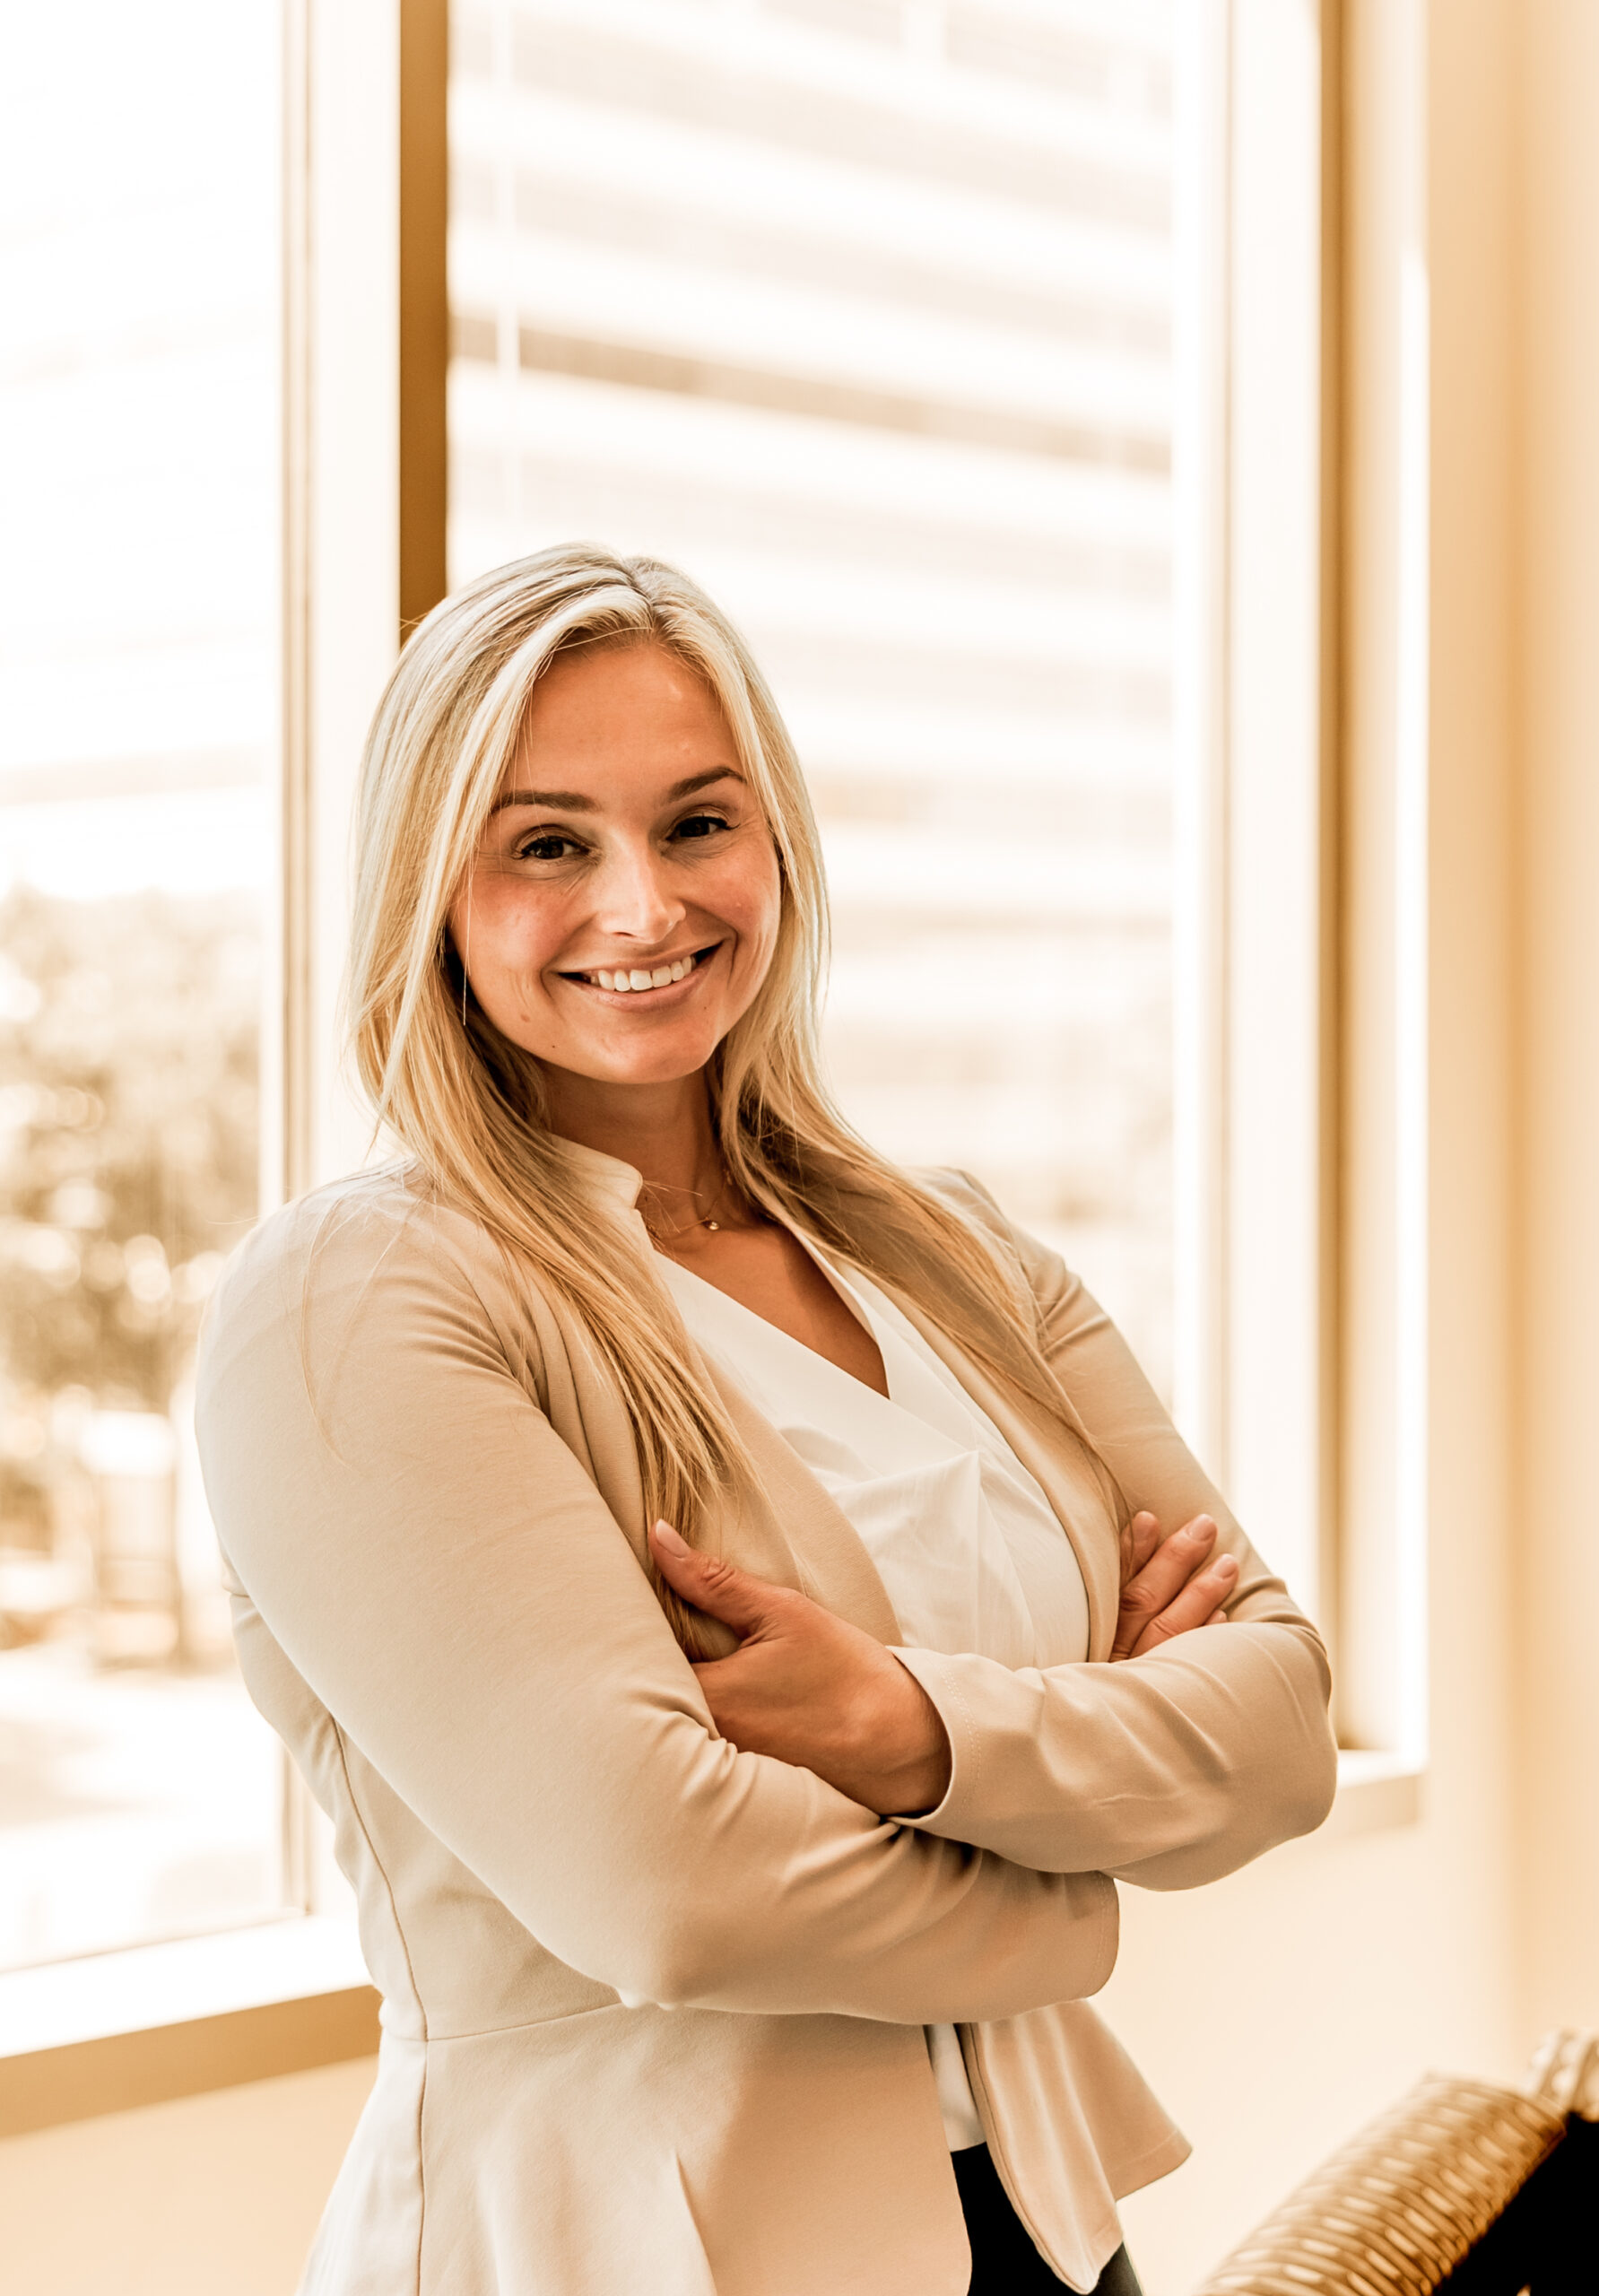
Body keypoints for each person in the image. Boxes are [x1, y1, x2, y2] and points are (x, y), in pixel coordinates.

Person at [196, 545, 1337, 2296]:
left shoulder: (956, 1250)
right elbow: (665, 1883)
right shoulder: (359, 1298)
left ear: (779, 840)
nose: (643, 905)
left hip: (1043, 2228)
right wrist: (1075, 1890)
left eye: (698, 822)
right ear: (433, 887)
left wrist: (895, 1722)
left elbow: (1272, 1721)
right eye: (548, 841)